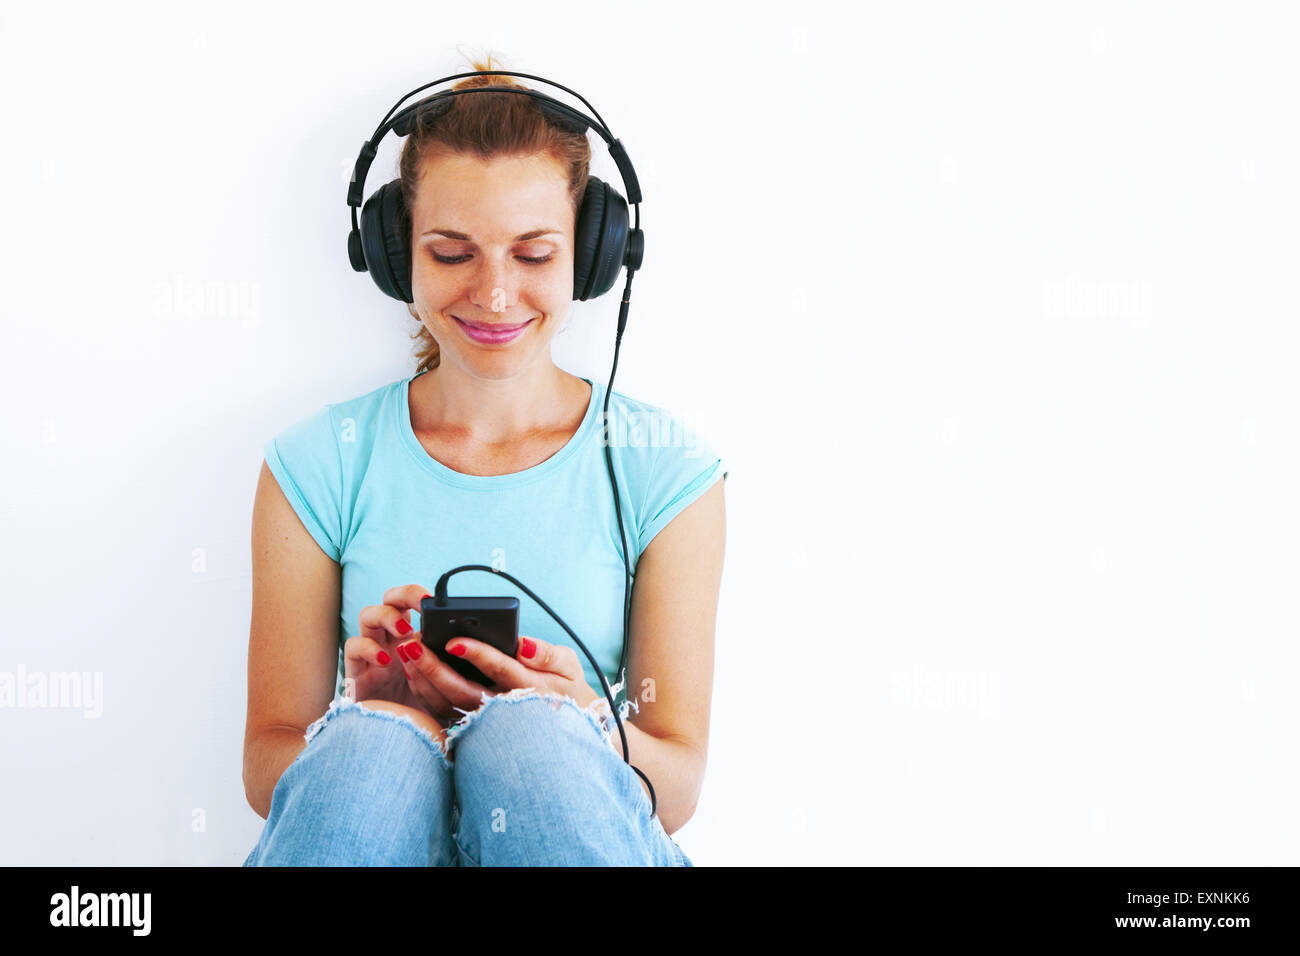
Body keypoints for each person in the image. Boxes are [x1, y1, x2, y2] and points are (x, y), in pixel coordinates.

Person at [240, 62, 727, 866]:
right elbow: (268, 766)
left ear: (594, 255)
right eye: (451, 252)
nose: (495, 295)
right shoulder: (317, 463)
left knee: (532, 739)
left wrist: (589, 725)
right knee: (375, 749)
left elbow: (676, 788)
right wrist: (387, 721)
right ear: (397, 256)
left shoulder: (664, 469)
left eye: (534, 255)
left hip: (583, 830)